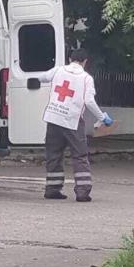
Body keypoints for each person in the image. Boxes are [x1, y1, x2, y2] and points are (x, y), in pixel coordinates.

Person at [40, 48, 113, 202]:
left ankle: (52, 189)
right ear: (85, 62)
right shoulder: (86, 78)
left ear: (69, 59)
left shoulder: (58, 70)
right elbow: (89, 101)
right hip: (72, 120)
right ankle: (82, 192)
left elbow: (42, 77)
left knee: (53, 154)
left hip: (53, 118)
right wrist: (103, 117)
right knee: (80, 156)